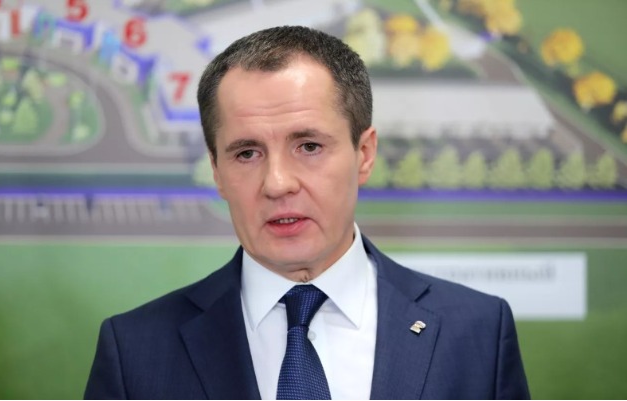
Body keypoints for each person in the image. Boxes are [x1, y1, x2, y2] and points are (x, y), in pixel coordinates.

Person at [85, 25, 530, 400]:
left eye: (309, 146)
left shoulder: (477, 333)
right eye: (246, 153)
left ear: (364, 153)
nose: (277, 183)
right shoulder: (135, 351)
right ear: (216, 170)